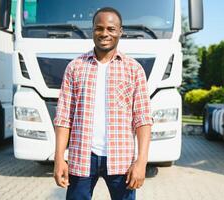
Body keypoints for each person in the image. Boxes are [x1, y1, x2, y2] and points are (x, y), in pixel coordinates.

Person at [53, 7, 153, 200]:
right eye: (99, 28)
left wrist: (141, 162)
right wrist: (59, 158)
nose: (104, 33)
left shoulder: (134, 70)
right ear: (93, 30)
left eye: (111, 28)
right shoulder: (75, 67)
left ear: (120, 31)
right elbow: (64, 117)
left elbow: (142, 119)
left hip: (121, 159)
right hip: (82, 157)